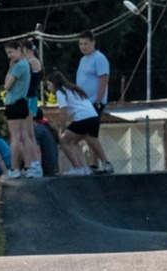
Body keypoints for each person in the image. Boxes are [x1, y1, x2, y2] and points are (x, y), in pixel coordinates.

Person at [46, 71, 114, 175]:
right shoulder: (73, 89)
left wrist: (62, 131)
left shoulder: (60, 92)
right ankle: (86, 168)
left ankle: (78, 168)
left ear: (55, 83)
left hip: (84, 119)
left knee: (63, 141)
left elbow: (63, 115)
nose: (48, 88)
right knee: (73, 142)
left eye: (48, 84)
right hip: (93, 117)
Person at [3, 41, 42, 179]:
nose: (9, 56)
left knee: (15, 137)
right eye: (7, 53)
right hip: (23, 102)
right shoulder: (26, 64)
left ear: (19, 49)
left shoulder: (19, 66)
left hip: (14, 103)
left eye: (11, 52)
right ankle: (29, 165)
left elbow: (7, 86)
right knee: (25, 135)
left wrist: (10, 69)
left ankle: (14, 169)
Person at [75, 31, 110, 169]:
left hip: (94, 102)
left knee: (88, 133)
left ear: (93, 43)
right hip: (83, 102)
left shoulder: (99, 58)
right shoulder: (83, 60)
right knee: (91, 134)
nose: (83, 47)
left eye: (86, 43)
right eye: (81, 44)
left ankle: (103, 162)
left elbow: (103, 78)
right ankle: (94, 164)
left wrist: (98, 100)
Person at [32, 110, 61, 177]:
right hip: (52, 167)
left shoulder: (37, 130)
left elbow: (38, 151)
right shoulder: (47, 127)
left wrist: (39, 170)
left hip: (45, 168)